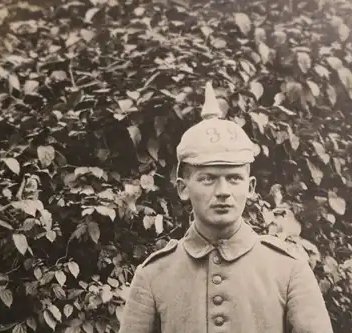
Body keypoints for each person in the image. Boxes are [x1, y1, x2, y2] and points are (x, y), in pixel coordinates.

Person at [118, 82, 334, 333]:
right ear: (183, 188)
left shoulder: (288, 269)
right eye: (208, 178)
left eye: (234, 178)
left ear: (250, 187)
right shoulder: (153, 276)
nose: (222, 192)